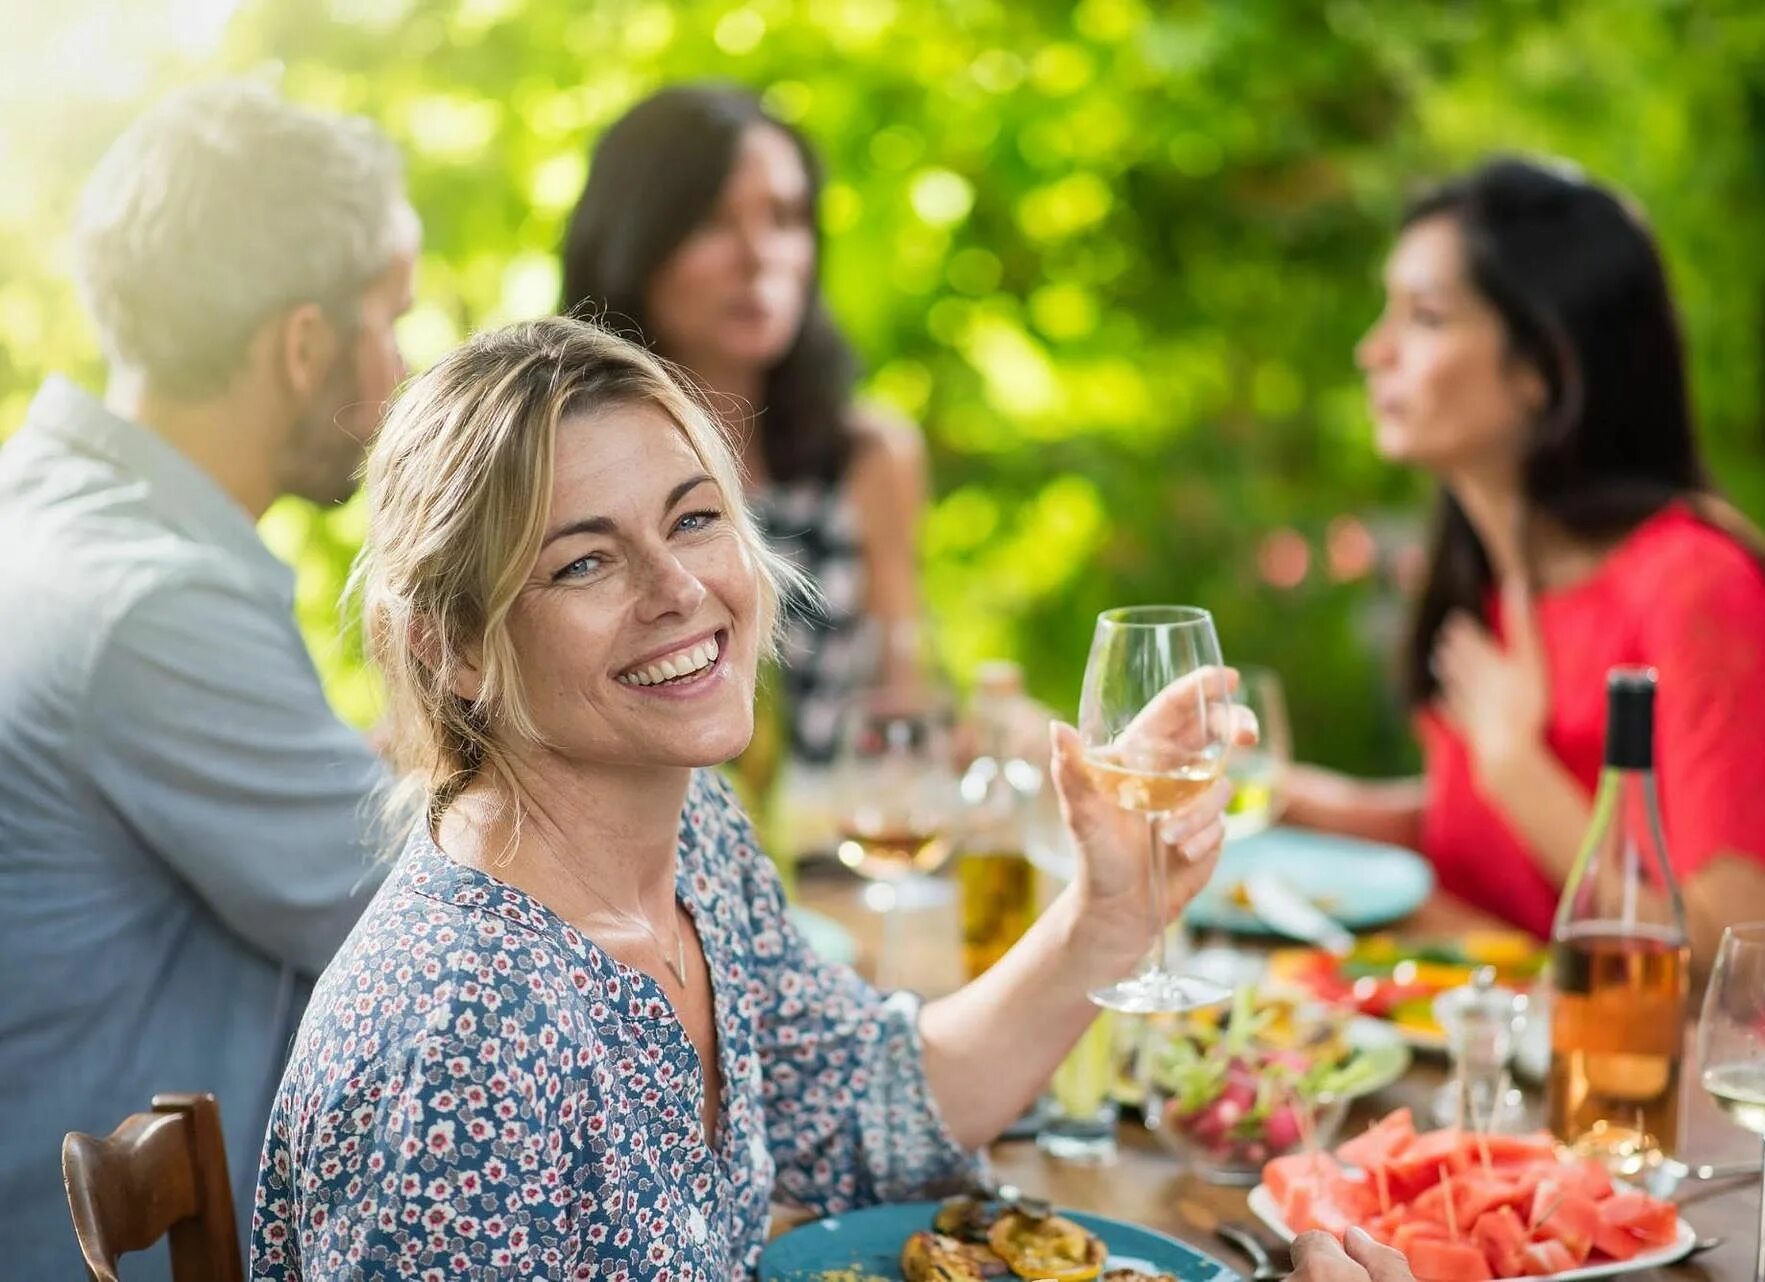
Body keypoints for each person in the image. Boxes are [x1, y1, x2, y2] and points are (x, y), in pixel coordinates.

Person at [250, 317, 1246, 1277]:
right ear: (453, 647)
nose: (679, 586)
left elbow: (864, 1109)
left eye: (694, 518)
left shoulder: (697, 832)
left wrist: (1108, 915)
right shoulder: (459, 1039)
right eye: (585, 561)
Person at [0, 82, 417, 1274]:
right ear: (300, 346)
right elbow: (446, 916)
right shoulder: (151, 607)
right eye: (392, 319)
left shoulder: (49, 519)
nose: (402, 367)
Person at [1285, 158, 1765, 970]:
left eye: (1424, 318)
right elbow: (1469, 837)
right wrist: (1259, 794)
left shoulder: (1696, 586)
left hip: (1660, 1079)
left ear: (1541, 368)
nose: (1373, 351)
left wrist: (1515, 767)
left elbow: (1733, 952)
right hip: (1501, 1036)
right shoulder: (1497, 579)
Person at [561, 84, 928, 766]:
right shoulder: (560, 470)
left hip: (842, 855)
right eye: (712, 223)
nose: (759, 256)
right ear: (634, 243)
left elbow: (906, 704)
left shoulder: (870, 457)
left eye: (786, 218)